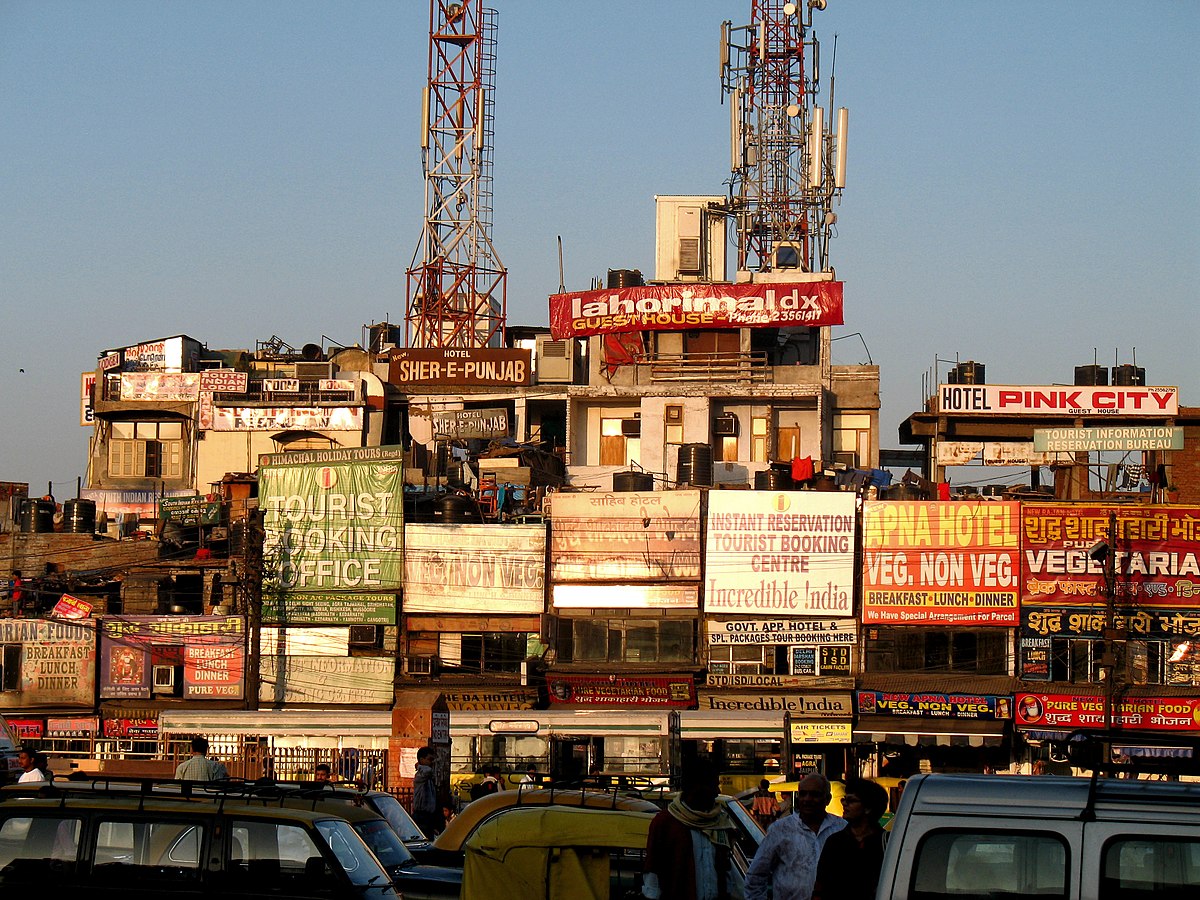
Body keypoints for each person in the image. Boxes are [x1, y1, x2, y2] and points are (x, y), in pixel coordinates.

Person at [642, 757, 736, 900]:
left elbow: (726, 872)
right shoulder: (666, 823)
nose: (717, 792)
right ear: (696, 787)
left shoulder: (720, 822)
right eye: (713, 785)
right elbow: (653, 876)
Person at [745, 773, 845, 900]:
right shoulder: (780, 830)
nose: (807, 799)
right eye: (803, 794)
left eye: (815, 794)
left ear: (828, 799)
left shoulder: (841, 828)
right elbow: (756, 875)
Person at [812, 779, 890, 900]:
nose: (844, 804)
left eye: (851, 801)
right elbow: (820, 885)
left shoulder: (887, 843)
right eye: (844, 799)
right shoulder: (835, 842)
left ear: (868, 808)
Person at [412, 746, 442, 838]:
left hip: (429, 816)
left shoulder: (428, 778)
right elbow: (427, 771)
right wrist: (419, 766)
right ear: (422, 759)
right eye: (429, 759)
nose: (431, 762)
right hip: (421, 815)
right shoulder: (420, 776)